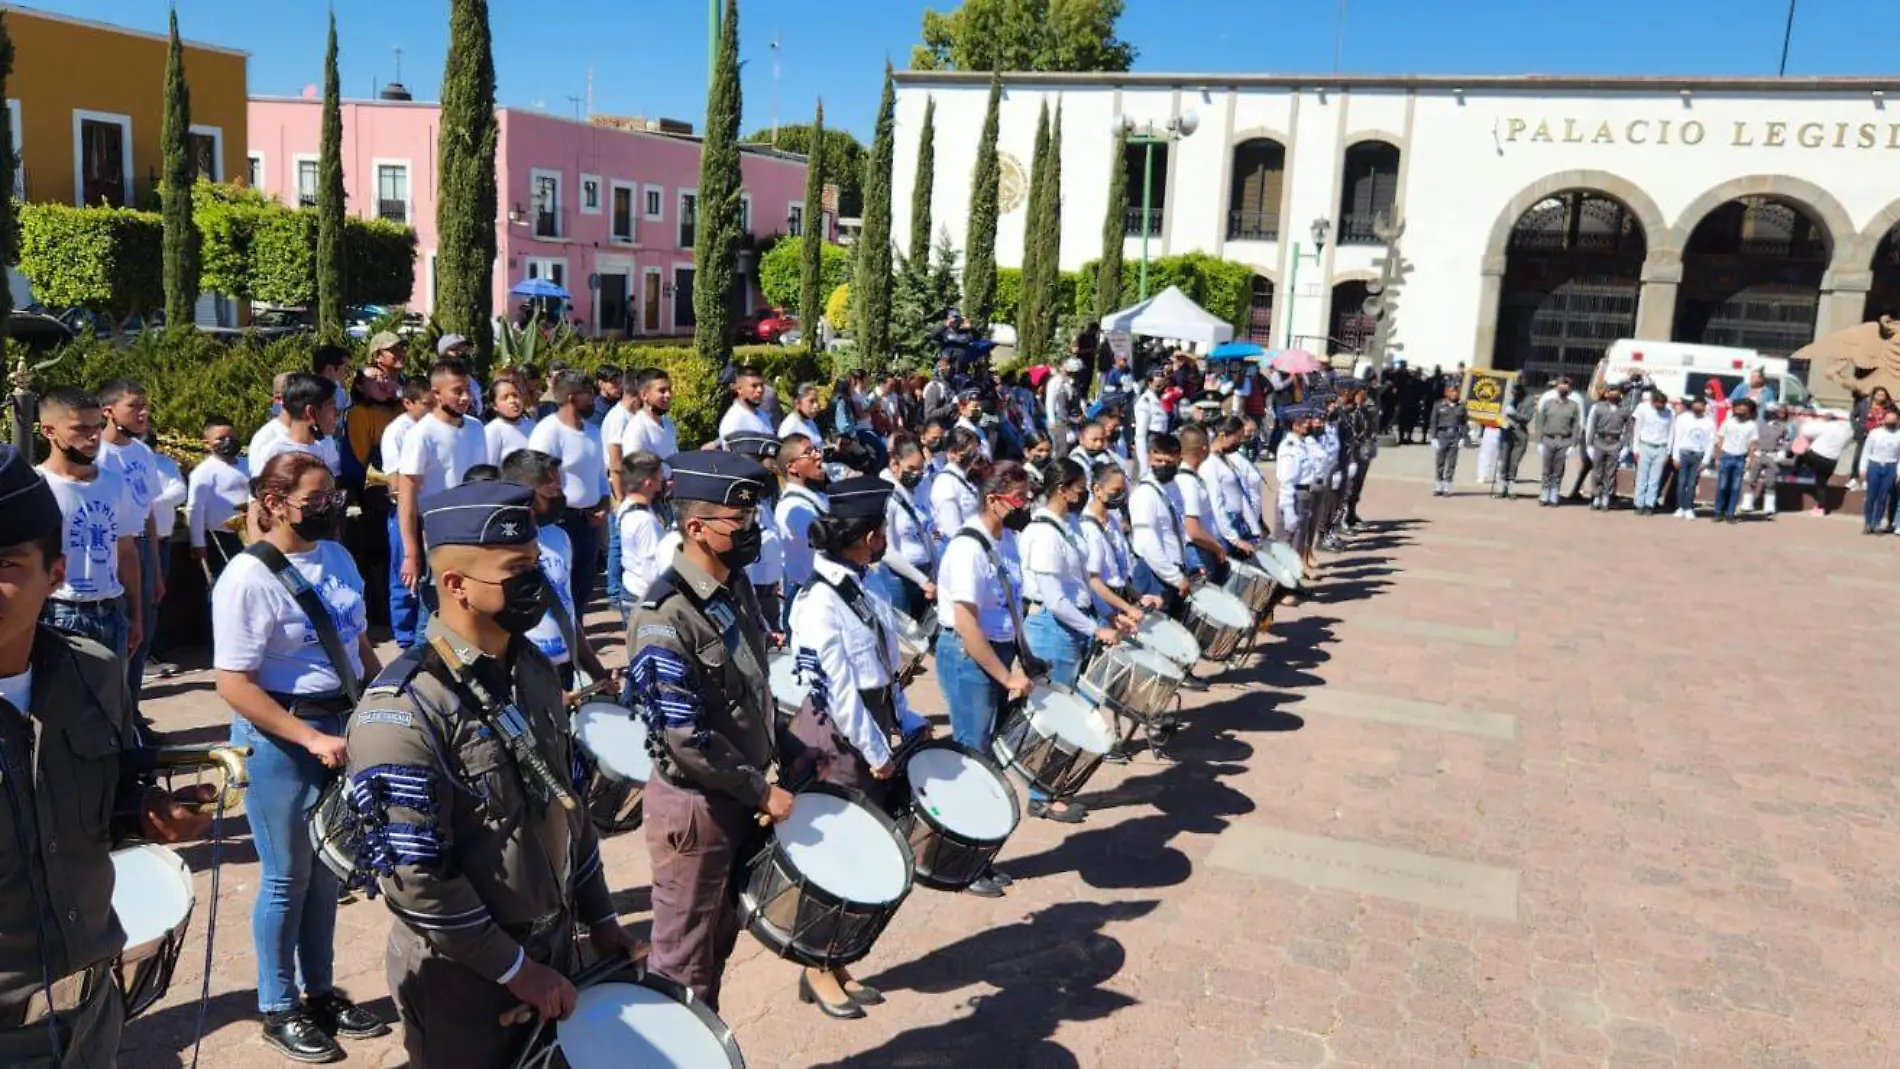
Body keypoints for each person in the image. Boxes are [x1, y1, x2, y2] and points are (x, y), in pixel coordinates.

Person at [346, 480, 637, 1065]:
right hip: (463, 973)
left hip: (549, 947)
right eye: (518, 568)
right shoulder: (404, 709)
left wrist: (602, 915)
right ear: (454, 584)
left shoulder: (531, 669)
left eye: (537, 562)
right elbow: (417, 877)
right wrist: (514, 968)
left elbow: (566, 805)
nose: (538, 581)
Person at [0, 443, 211, 1069]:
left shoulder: (93, 672)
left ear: (56, 572)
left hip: (92, 1018)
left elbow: (102, 796)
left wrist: (149, 813)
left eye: (6, 562)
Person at [212, 451, 388, 1061]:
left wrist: (379, 696)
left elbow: (355, 638)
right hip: (282, 738)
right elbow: (233, 683)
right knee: (287, 876)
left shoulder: (336, 556)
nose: (328, 510)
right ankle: (276, 1004)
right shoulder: (247, 577)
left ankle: (320, 992)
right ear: (273, 502)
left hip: (342, 724)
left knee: (327, 875)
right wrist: (310, 737)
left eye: (332, 498)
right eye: (314, 502)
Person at [625, 452, 790, 1010]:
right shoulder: (664, 615)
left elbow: (755, 688)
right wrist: (762, 790)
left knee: (715, 948)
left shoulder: (733, 586)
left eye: (752, 520)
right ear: (695, 528)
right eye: (738, 523)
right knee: (681, 969)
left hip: (735, 796)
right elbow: (683, 737)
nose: (751, 532)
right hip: (696, 810)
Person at [784, 475, 929, 1017]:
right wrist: (876, 750)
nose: (886, 536)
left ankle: (835, 959)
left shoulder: (861, 585)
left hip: (869, 726)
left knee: (860, 847)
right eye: (883, 529)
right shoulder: (819, 600)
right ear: (868, 536)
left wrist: (908, 720)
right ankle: (815, 967)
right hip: (837, 738)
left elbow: (885, 670)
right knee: (837, 854)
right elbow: (837, 692)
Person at [933, 462, 1034, 898]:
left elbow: (1010, 605)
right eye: (1018, 500)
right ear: (994, 500)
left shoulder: (1006, 539)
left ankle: (975, 856)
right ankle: (957, 862)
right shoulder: (967, 549)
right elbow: (968, 626)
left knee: (985, 759)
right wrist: (1005, 674)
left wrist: (1021, 659)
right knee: (972, 761)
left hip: (999, 653)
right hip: (970, 657)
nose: (1024, 507)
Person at [1021, 460, 1121, 819]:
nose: (1083, 494)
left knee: (1071, 710)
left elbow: (1081, 581)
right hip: (1053, 628)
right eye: (1079, 488)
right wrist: (1096, 628)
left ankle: (1052, 786)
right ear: (1062, 489)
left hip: (1071, 624)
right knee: (1057, 715)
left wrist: (1106, 613)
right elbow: (1055, 598)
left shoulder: (1068, 525)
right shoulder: (1045, 534)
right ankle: (1041, 794)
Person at [35, 387, 142, 661]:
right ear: (49, 431)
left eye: (96, 426)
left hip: (112, 609)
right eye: (80, 429)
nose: (93, 436)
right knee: (67, 702)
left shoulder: (114, 483)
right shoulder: (37, 487)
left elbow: (126, 551)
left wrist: (136, 613)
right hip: (60, 612)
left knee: (113, 701)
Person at [494, 450, 610, 689]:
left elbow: (565, 609)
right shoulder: (500, 549)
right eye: (553, 491)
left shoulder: (560, 537)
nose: (562, 497)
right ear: (525, 495)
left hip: (565, 671)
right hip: (525, 677)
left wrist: (598, 672)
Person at [395, 361, 488, 624]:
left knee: (466, 612)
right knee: (434, 616)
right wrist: (411, 553)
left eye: (468, 389)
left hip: (472, 533)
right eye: (457, 391)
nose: (465, 397)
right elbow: (407, 496)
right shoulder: (422, 434)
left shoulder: (476, 428)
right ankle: (421, 664)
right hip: (436, 536)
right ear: (436, 393)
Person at [95, 380, 167, 704]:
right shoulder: (97, 455)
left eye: (144, 404)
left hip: (140, 548)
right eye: (134, 405)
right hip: (110, 550)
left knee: (144, 633)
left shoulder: (142, 453)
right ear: (108, 412)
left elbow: (147, 510)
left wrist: (155, 566)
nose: (143, 412)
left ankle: (133, 714)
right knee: (119, 636)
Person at [527, 370, 609, 614]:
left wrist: (604, 506)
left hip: (591, 522)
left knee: (583, 588)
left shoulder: (593, 432)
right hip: (559, 521)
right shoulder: (547, 432)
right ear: (573, 397)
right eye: (589, 395)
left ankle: (578, 639)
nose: (594, 400)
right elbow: (536, 480)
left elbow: (599, 477)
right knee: (559, 587)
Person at [1130, 433, 1195, 614]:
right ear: (1150, 458)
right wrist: (1175, 578)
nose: (1163, 466)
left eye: (1169, 462)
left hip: (1174, 569)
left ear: (1178, 459)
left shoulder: (1173, 486)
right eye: (1158, 461)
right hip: (1154, 574)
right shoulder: (1145, 494)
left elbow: (1179, 529)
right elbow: (1148, 544)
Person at [877, 433, 937, 621]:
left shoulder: (918, 491)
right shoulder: (888, 497)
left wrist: (935, 571)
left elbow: (926, 534)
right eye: (910, 468)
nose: (916, 474)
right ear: (895, 465)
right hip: (901, 581)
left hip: (925, 575)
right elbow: (887, 550)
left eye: (920, 469)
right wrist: (922, 580)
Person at [775, 433, 830, 626]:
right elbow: (827, 543)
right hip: (809, 599)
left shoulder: (816, 496)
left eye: (816, 449)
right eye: (809, 452)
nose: (818, 456)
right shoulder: (793, 508)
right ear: (792, 467)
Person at [188, 415, 252, 575]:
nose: (228, 441)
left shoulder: (248, 464)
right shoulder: (203, 472)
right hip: (220, 537)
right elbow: (195, 509)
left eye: (232, 437)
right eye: (220, 438)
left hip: (252, 533)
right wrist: (198, 543)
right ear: (206, 442)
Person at [254, 371, 345, 477]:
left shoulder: (324, 444)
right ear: (310, 412)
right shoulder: (277, 453)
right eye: (330, 404)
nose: (337, 413)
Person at [1172, 426, 1231, 581]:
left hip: (1203, 549)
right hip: (1199, 552)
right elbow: (1192, 528)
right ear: (1204, 448)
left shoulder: (1187, 477)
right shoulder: (1188, 482)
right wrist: (1217, 548)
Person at [615, 451, 669, 618]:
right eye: (660, 473)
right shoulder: (645, 521)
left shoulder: (628, 505)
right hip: (643, 597)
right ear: (648, 483)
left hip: (631, 589)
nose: (664, 477)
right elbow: (651, 572)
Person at [928, 427, 983, 551]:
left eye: (976, 453)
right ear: (953, 452)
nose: (974, 457)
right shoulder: (945, 484)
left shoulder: (966, 477)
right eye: (970, 453)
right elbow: (953, 532)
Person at [1534, 379, 1584, 508]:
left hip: (1564, 441)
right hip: (1548, 439)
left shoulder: (1573, 405)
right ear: (1556, 387)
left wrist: (1573, 444)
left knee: (1558, 469)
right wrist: (1538, 441)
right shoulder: (1548, 403)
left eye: (1566, 386)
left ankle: (1554, 493)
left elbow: (1576, 426)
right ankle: (1544, 493)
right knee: (1546, 468)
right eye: (1561, 386)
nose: (1563, 388)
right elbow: (1540, 422)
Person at [1796, 409, 1854, 516]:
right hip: (1832, 461)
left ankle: (1795, 471)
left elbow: (1806, 432)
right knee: (1821, 484)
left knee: (1801, 454)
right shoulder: (1846, 432)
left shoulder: (1825, 426)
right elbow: (1847, 444)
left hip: (1816, 456)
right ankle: (1821, 508)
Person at [1669, 394, 1718, 520]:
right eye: (1695, 404)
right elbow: (1677, 438)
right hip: (1684, 453)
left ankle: (1689, 508)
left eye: (1701, 404)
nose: (1698, 406)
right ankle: (1680, 507)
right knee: (1681, 482)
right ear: (1692, 405)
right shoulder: (1683, 418)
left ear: (1704, 407)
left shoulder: (1709, 422)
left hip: (1698, 455)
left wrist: (1706, 460)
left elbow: (1710, 442)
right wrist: (1675, 457)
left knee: (1692, 484)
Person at [1712, 399, 1760, 524]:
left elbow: (1752, 444)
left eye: (1744, 410)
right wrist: (1717, 457)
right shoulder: (1728, 423)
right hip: (1726, 456)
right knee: (1722, 486)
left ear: (1749, 412)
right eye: (1738, 409)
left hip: (1740, 458)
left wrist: (1750, 460)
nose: (1740, 412)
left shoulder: (1752, 425)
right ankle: (1718, 512)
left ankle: (1730, 514)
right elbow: (1720, 440)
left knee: (1735, 488)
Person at [1583, 387, 1631, 511]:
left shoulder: (1624, 410)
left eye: (1617, 392)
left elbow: (1628, 430)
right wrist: (1589, 445)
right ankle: (1596, 496)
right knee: (1597, 472)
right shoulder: (1598, 408)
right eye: (1611, 392)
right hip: (1599, 441)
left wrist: (1626, 446)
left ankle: (1606, 497)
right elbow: (1591, 426)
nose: (1614, 395)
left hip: (1615, 443)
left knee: (1610, 473)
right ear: (1607, 394)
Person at [1274, 408, 1313, 550]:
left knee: (1298, 544)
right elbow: (1286, 481)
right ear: (1295, 426)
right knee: (1286, 546)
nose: (1308, 424)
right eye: (1304, 422)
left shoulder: (1302, 444)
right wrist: (1288, 510)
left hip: (1303, 495)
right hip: (1294, 497)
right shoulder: (1290, 448)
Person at [1743, 403, 1791, 517]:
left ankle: (1769, 506)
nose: (1770, 413)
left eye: (1772, 411)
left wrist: (1782, 452)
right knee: (1751, 479)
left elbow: (1785, 441)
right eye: (1768, 411)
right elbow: (1749, 438)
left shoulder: (1782, 427)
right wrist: (1749, 453)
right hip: (1757, 453)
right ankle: (1747, 503)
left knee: (1771, 481)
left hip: (1772, 455)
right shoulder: (1757, 424)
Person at [483, 369, 539, 466]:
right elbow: (489, 468)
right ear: (495, 405)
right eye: (505, 397)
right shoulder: (493, 430)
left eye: (515, 395)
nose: (512, 401)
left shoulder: (532, 425)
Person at [1859, 406, 1900, 533]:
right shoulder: (1875, 433)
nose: (1890, 422)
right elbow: (1866, 451)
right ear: (1884, 419)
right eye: (1888, 419)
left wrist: (1899, 472)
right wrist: (1862, 468)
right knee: (1871, 496)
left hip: (1891, 466)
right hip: (1874, 465)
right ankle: (1867, 522)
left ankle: (1877, 522)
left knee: (1883, 497)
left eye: (1894, 420)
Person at [1427, 382, 1468, 497]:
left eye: (1456, 391)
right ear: (1446, 392)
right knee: (1440, 461)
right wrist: (1433, 437)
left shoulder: (1461, 406)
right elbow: (1433, 421)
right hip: (1442, 435)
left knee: (1452, 462)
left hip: (1455, 435)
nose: (1454, 393)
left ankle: (1447, 485)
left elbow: (1464, 423)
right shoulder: (1439, 404)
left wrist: (1464, 437)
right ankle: (1438, 484)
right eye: (1452, 391)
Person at [717, 365, 774, 446]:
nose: (760, 390)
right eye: (754, 386)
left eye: (761, 385)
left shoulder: (763, 415)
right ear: (739, 389)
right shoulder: (733, 422)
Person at [1132, 365, 1170, 476]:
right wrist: (1144, 463)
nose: (1161, 387)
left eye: (1162, 384)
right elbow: (1140, 435)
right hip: (1151, 443)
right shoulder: (1145, 402)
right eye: (1157, 385)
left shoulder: (1158, 400)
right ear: (1149, 383)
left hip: (1160, 442)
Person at [436, 334, 485, 416]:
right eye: (454, 350)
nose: (460, 353)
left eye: (462, 350)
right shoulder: (439, 379)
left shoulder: (469, 378)